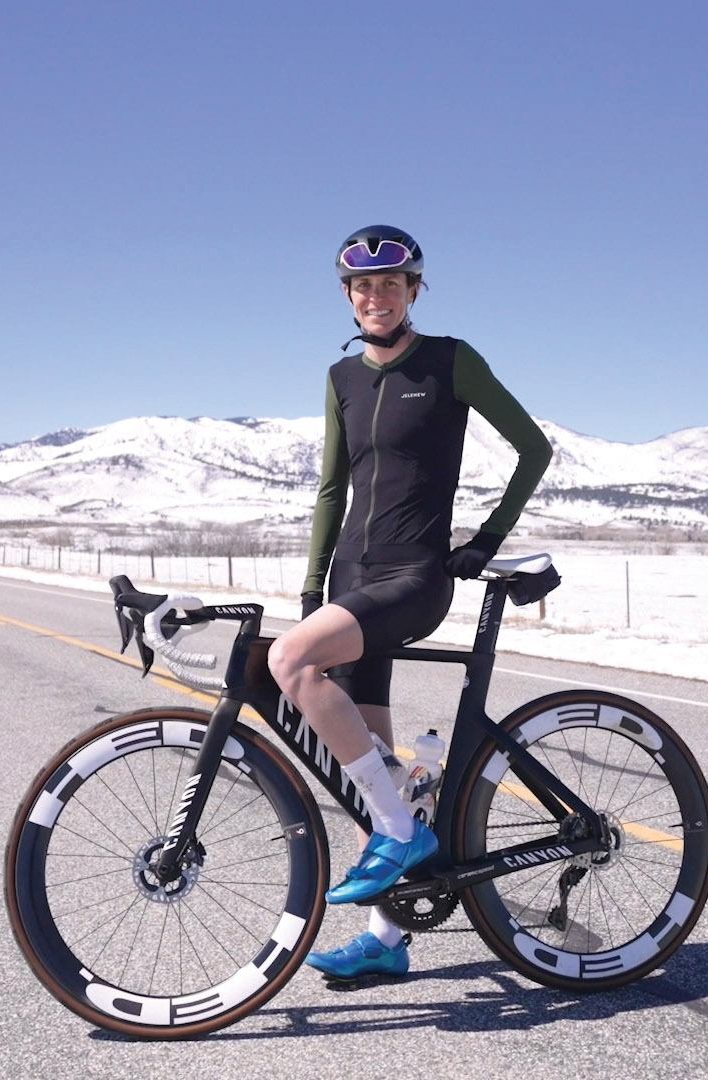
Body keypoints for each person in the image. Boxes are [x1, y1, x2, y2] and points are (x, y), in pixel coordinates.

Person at [268, 225, 552, 980]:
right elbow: (333, 488)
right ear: (347, 295)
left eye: (392, 284)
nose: (377, 296)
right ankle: (387, 942)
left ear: (414, 290)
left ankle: (402, 834)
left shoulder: (450, 361)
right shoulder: (341, 379)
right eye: (364, 286)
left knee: (288, 662)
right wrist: (310, 586)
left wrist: (486, 540)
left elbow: (534, 448)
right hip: (349, 581)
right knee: (376, 773)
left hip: (414, 577)